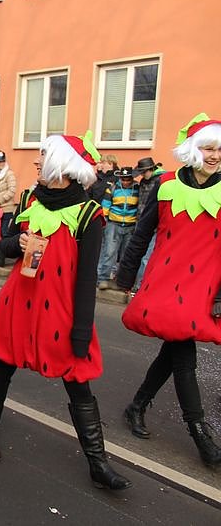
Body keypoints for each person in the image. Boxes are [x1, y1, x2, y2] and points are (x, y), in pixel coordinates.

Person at [0, 132, 131, 491]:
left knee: (77, 382)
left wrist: (81, 331)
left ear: (62, 164)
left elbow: (87, 278)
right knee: (3, 366)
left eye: (43, 154)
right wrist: (19, 242)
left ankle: (98, 463)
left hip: (61, 310)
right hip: (20, 300)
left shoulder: (89, 213)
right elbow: (3, 247)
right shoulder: (30, 197)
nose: (36, 160)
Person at [116, 113, 221, 468]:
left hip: (203, 288)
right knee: (183, 352)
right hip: (164, 282)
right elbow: (141, 234)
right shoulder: (165, 185)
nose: (215, 155)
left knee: (175, 348)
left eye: (220, 149)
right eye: (209, 147)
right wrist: (126, 277)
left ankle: (137, 406)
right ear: (193, 148)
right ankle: (200, 432)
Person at [96, 166, 140, 289]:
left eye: (128, 179)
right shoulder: (113, 188)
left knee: (126, 254)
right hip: (113, 224)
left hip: (130, 225)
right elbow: (105, 206)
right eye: (123, 179)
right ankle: (102, 279)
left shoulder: (138, 188)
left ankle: (121, 280)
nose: (125, 182)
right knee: (109, 252)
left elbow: (140, 205)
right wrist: (104, 222)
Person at [130, 157, 164, 292]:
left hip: (154, 224)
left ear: (151, 169)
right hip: (141, 221)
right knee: (137, 253)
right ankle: (135, 283)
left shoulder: (160, 181)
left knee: (147, 257)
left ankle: (139, 287)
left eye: (143, 173)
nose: (142, 176)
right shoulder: (145, 181)